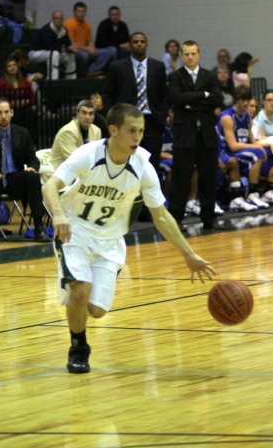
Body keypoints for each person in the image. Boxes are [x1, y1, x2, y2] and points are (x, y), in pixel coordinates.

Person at [42, 103, 215, 374]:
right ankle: (79, 347)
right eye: (131, 130)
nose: (137, 137)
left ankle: (77, 303)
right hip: (75, 231)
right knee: (80, 291)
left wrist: (188, 254)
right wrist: (58, 215)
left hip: (110, 239)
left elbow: (161, 216)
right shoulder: (89, 154)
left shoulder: (143, 167)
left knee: (96, 310)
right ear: (113, 130)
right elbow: (50, 185)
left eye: (141, 131)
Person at [0, 98, 50, 246]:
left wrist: (32, 167)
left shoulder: (23, 133)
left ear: (12, 113)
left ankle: (39, 227)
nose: (3, 116)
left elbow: (33, 158)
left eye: (6, 112)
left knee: (32, 177)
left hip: (14, 178)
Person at [167, 40, 223, 229]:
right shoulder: (175, 76)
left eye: (193, 53)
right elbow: (176, 98)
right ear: (182, 56)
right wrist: (202, 95)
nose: (190, 57)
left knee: (208, 179)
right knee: (180, 180)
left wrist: (191, 102)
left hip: (207, 135)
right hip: (185, 135)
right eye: (186, 54)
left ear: (199, 54)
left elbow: (217, 99)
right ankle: (176, 219)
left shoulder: (209, 75)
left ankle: (209, 218)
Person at [102, 31, 168, 173]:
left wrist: (162, 115)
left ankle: (147, 195)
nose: (139, 44)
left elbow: (164, 94)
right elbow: (108, 94)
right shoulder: (117, 66)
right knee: (125, 162)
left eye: (142, 42)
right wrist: (112, 118)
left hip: (152, 121)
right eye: (135, 42)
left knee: (151, 164)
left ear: (146, 45)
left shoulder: (158, 66)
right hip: (126, 121)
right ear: (130, 45)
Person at [217, 86, 273, 211]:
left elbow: (253, 141)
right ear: (236, 100)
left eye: (247, 99)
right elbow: (233, 146)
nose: (245, 103)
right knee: (257, 153)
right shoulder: (227, 117)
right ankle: (252, 193)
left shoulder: (246, 117)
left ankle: (268, 192)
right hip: (228, 153)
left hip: (245, 151)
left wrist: (268, 144)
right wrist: (257, 147)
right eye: (242, 100)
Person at [65, 2, 116, 77]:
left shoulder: (87, 24)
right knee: (84, 55)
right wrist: (88, 49)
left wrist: (93, 48)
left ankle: (92, 70)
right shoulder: (69, 24)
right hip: (76, 52)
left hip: (86, 50)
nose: (81, 13)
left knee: (112, 50)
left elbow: (90, 41)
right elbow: (72, 45)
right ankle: (82, 78)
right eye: (79, 11)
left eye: (83, 11)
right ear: (74, 12)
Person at [50, 99, 102, 169]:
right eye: (84, 113)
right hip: (61, 170)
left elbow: (97, 156)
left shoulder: (97, 131)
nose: (87, 117)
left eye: (91, 113)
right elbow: (74, 160)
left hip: (84, 170)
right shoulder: (67, 131)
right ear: (77, 114)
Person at [28, 10, 76, 80]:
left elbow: (67, 44)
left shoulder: (64, 30)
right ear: (52, 19)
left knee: (71, 55)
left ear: (63, 19)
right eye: (56, 18)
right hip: (35, 53)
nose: (58, 20)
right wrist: (63, 48)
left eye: (60, 18)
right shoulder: (47, 29)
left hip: (49, 53)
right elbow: (49, 47)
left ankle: (71, 79)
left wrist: (71, 49)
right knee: (54, 53)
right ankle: (53, 80)